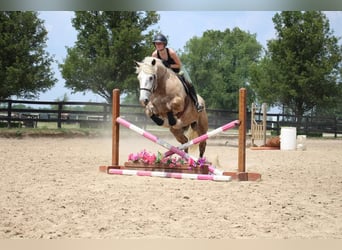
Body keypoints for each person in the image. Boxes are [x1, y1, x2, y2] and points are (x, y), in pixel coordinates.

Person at [151, 33, 203, 112]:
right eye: (156, 43)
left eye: (160, 43)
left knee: (188, 82)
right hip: (165, 74)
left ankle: (196, 103)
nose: (157, 45)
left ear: (164, 44)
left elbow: (179, 65)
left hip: (177, 70)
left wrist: (169, 65)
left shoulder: (171, 52)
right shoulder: (154, 54)